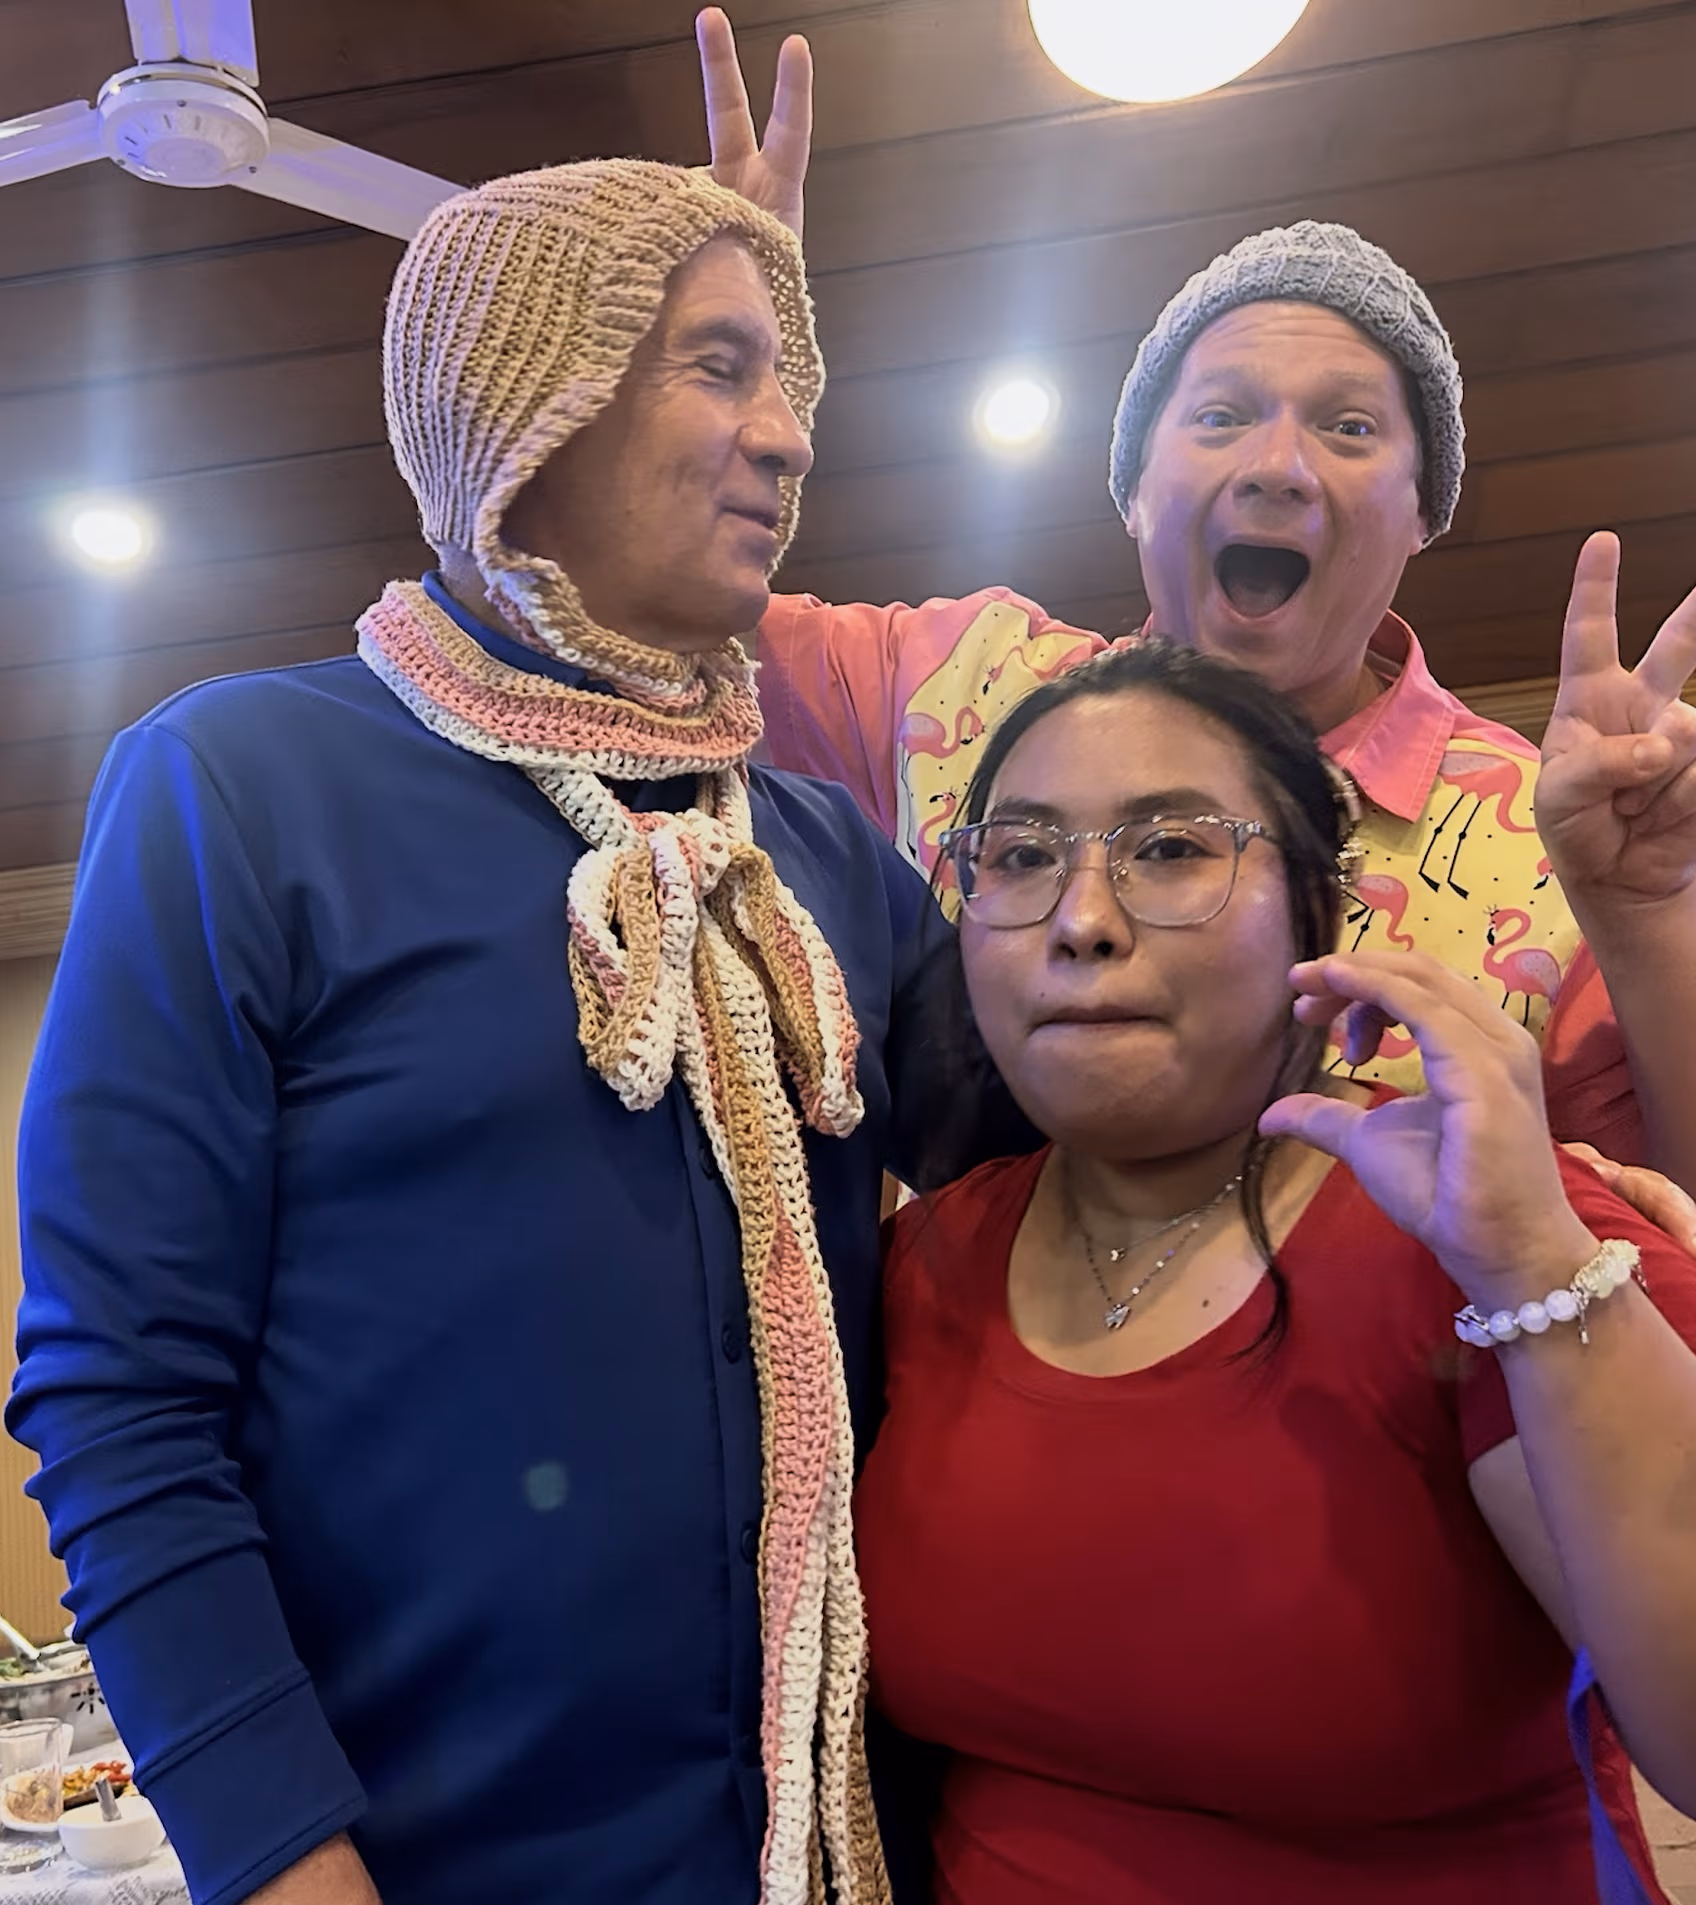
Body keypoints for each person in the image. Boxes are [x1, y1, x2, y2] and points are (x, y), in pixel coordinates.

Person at [8, 161, 1024, 1905]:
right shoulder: (236, 790)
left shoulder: (829, 861)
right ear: (529, 401)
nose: (788, 436)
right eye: (719, 366)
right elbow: (121, 1396)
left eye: (792, 382)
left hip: (857, 1858)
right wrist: (280, 1859)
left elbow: (1081, 1179)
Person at [692, 8, 1696, 1340]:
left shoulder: (1550, 838)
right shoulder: (957, 684)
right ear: (1135, 489)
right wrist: (729, 361)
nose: (1277, 464)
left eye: (1350, 426)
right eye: (1218, 417)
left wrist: (1648, 904)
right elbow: (620, 616)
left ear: (1421, 512)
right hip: (970, 1440)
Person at [852, 639, 1696, 1904]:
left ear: (1318, 906)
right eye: (1021, 858)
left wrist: (1532, 1258)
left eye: (1173, 849)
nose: (1082, 922)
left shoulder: (1484, 1216)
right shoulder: (913, 1268)